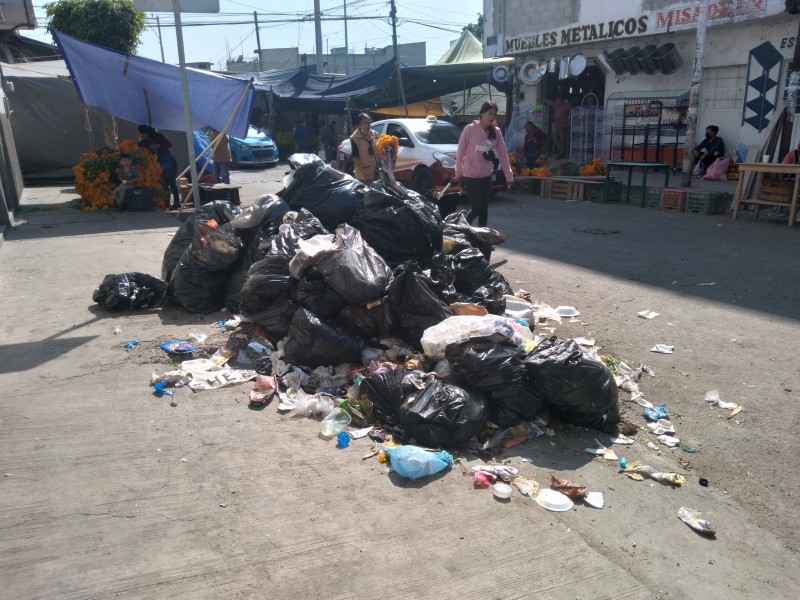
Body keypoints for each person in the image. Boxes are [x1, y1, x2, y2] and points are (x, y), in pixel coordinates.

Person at [454, 100, 514, 227]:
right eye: (489, 113)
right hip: (470, 176)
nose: (492, 117)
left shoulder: (496, 132)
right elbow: (460, 152)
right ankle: (461, 228)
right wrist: (458, 173)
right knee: (477, 208)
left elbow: (503, 155)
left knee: (484, 210)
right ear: (481, 114)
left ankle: (482, 238)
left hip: (486, 176)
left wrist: (509, 176)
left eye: (494, 114)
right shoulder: (469, 129)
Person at [137, 124, 180, 211]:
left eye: (141, 134)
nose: (140, 136)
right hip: (158, 167)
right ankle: (167, 202)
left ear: (146, 133)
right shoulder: (143, 143)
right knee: (163, 184)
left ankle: (176, 202)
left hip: (168, 164)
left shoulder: (158, 137)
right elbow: (138, 149)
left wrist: (158, 146)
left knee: (171, 183)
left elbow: (168, 144)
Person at [349, 113, 378, 184]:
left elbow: (378, 149)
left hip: (376, 172)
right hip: (363, 176)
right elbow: (355, 157)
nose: (367, 125)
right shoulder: (355, 138)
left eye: (368, 123)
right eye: (364, 123)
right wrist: (364, 173)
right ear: (359, 125)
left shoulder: (374, 134)